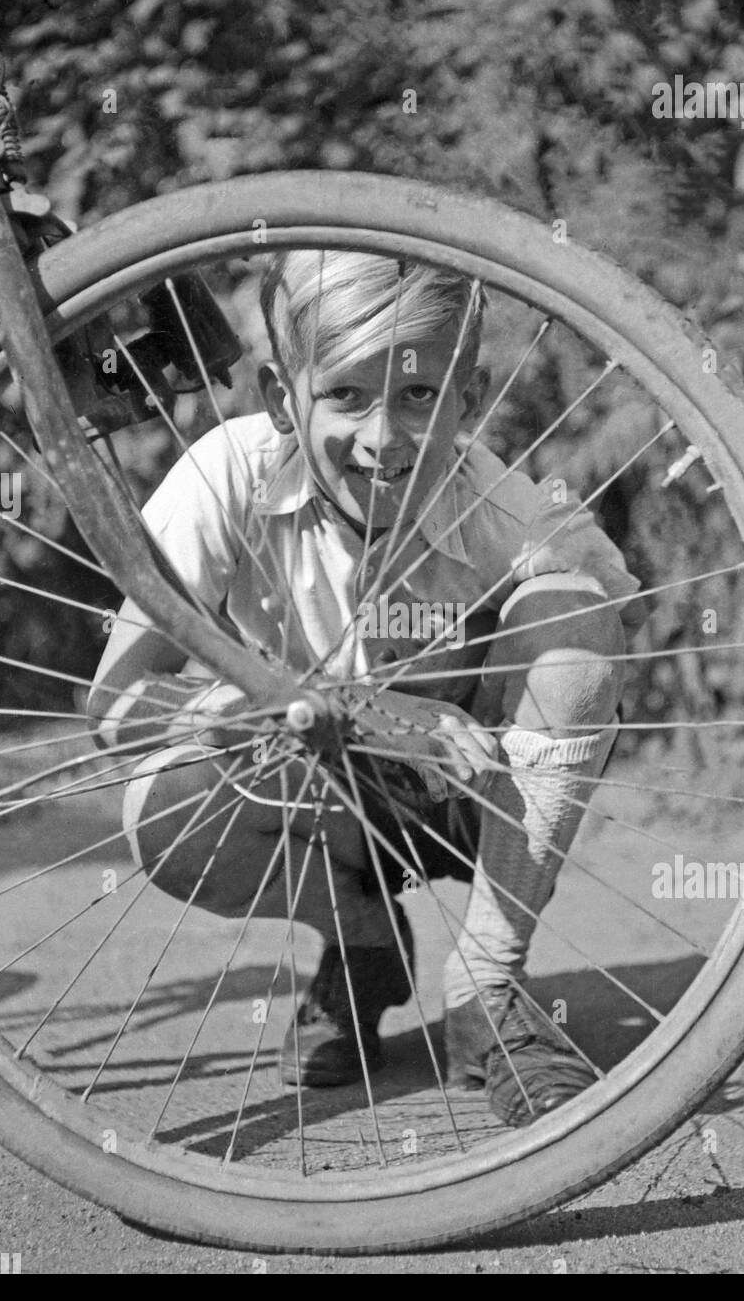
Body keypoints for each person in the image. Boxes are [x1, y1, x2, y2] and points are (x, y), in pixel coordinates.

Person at [88, 250, 643, 1127]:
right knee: (163, 809)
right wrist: (354, 709)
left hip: (470, 794)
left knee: (576, 630)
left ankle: (486, 992)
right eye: (345, 394)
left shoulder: (512, 509)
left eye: (419, 395)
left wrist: (523, 651)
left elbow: (610, 643)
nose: (383, 438)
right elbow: (113, 708)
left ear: (470, 394)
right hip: (311, 787)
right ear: (280, 397)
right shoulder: (226, 474)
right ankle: (362, 943)